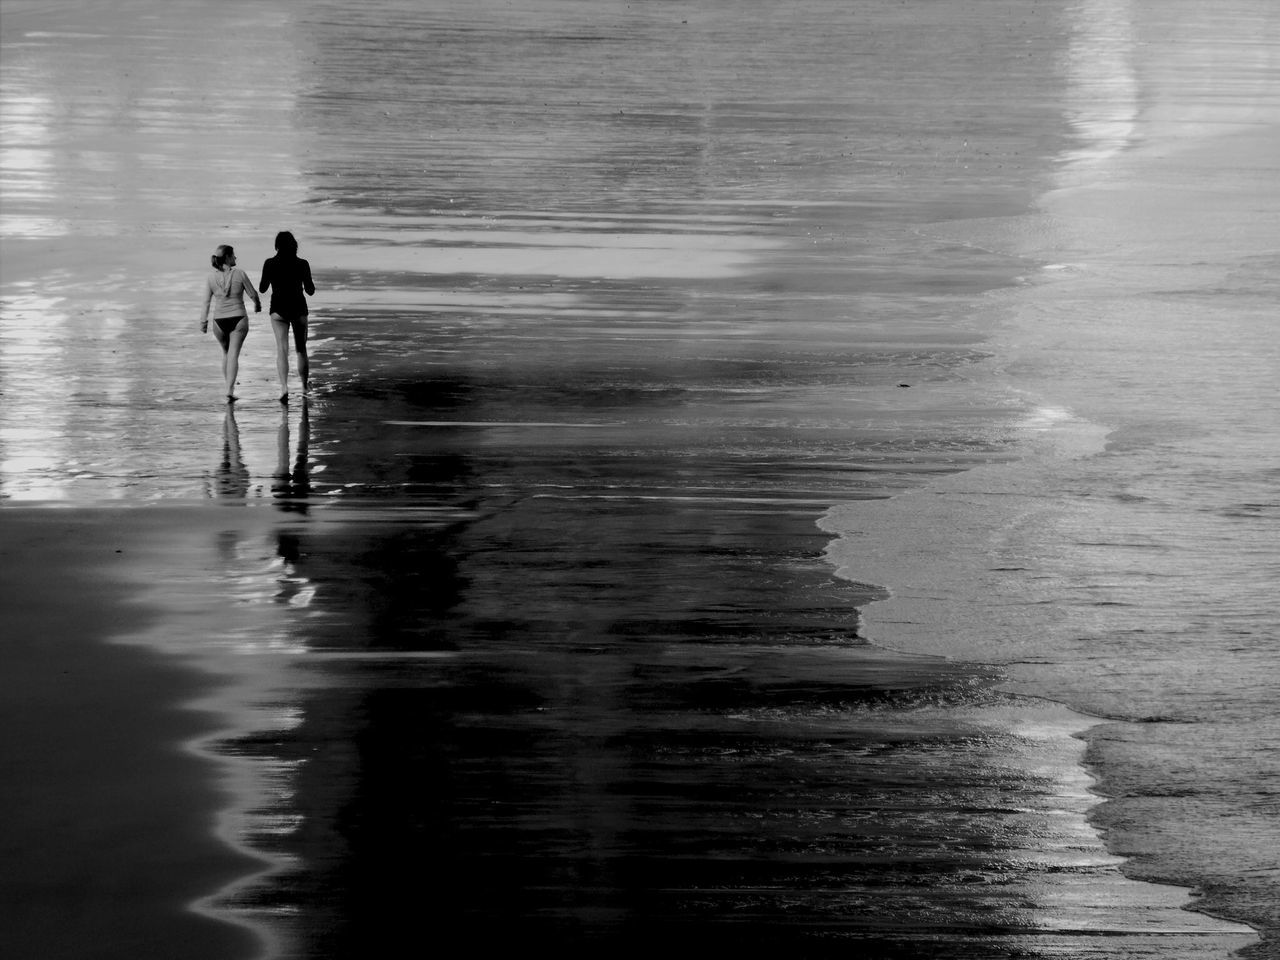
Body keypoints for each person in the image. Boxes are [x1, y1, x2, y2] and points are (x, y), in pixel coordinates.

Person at [199, 244, 261, 402]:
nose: (235, 258)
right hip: (238, 318)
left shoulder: (211, 277)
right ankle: (229, 390)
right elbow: (253, 293)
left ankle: (228, 386)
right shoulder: (240, 274)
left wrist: (203, 321)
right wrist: (257, 305)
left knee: (226, 353)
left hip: (218, 322)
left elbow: (206, 302)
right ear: (227, 257)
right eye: (233, 255)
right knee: (233, 354)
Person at [259, 230, 316, 402]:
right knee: (301, 350)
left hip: (278, 309)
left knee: (282, 350)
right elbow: (310, 290)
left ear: (277, 246)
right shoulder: (302, 264)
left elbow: (262, 288)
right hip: (298, 308)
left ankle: (284, 388)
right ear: (294, 245)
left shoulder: (270, 263)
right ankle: (304, 386)